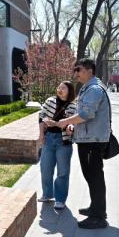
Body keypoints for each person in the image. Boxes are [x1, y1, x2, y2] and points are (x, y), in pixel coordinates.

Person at [56, 58, 111, 229]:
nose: (76, 73)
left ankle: (98, 217)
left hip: (92, 141)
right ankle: (96, 208)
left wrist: (66, 122)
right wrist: (74, 125)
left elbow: (87, 114)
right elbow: (82, 114)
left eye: (78, 69)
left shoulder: (94, 89)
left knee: (94, 177)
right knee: (91, 176)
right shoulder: (88, 87)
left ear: (89, 70)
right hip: (88, 139)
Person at [37, 81, 77, 210]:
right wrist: (41, 135)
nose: (59, 89)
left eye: (63, 88)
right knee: (45, 168)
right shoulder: (50, 101)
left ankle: (60, 199)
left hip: (63, 141)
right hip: (48, 138)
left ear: (69, 91)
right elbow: (41, 116)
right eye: (59, 87)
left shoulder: (73, 106)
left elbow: (72, 123)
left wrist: (70, 127)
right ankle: (47, 194)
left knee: (63, 172)